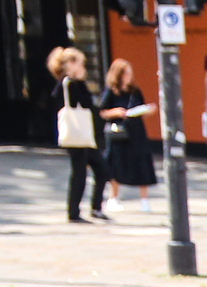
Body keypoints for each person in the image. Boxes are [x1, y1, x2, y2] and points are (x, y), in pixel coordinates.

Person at [55, 48, 107, 223]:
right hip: (77, 134)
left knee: (102, 169)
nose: (83, 67)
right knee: (79, 173)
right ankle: (74, 211)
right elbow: (85, 103)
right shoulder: (70, 83)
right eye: (80, 63)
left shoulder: (72, 83)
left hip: (84, 135)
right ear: (71, 64)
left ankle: (95, 207)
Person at [98, 59, 156, 212]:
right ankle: (113, 197)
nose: (129, 76)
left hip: (136, 131)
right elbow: (102, 111)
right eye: (126, 74)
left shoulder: (135, 91)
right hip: (119, 132)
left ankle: (144, 199)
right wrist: (116, 112)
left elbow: (140, 107)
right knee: (117, 164)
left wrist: (146, 111)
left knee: (141, 162)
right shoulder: (111, 91)